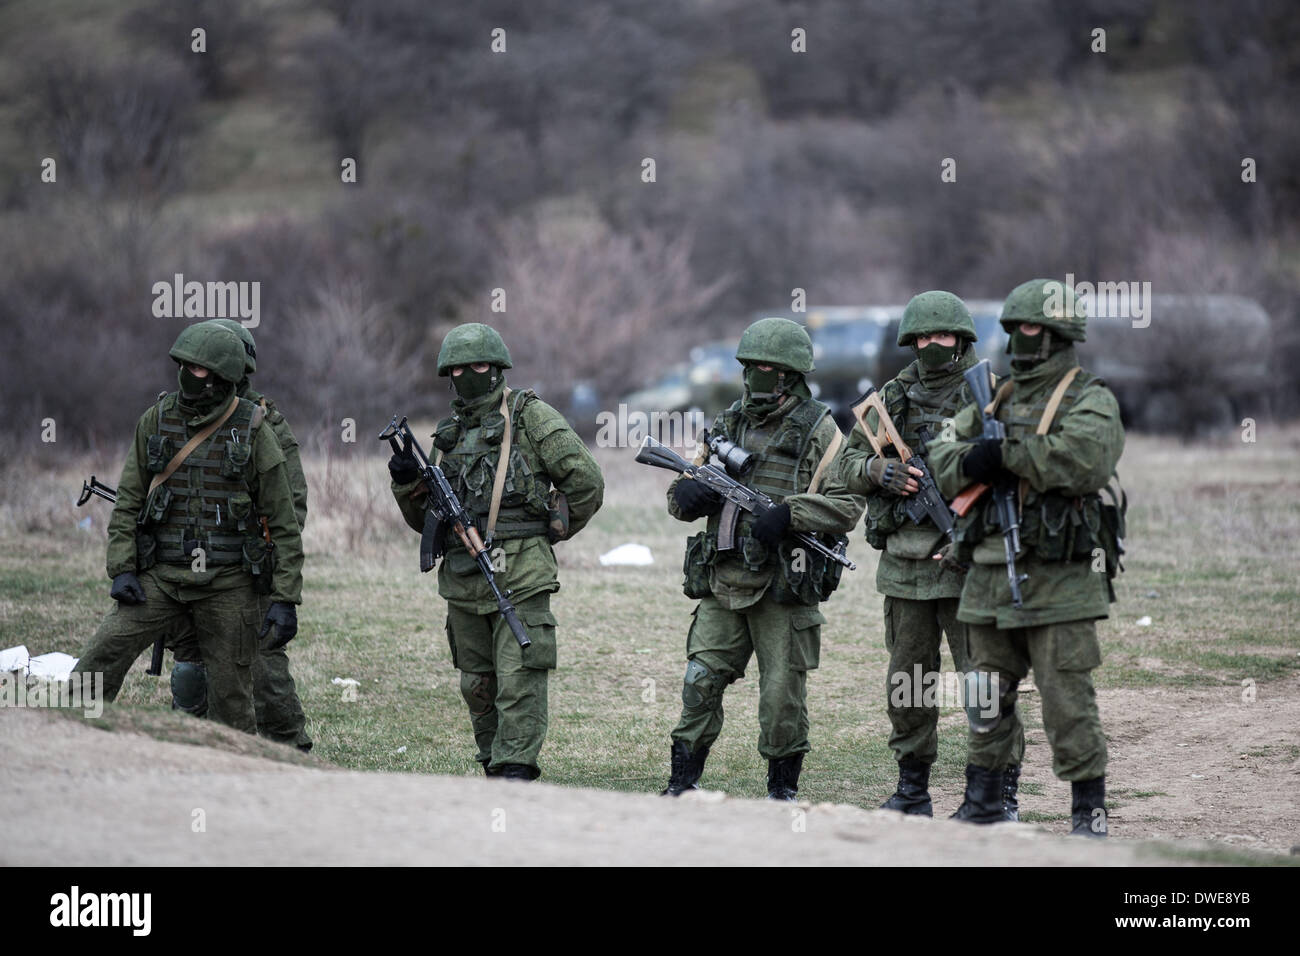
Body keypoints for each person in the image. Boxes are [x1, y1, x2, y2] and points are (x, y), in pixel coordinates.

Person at [930, 279, 1124, 836]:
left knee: (1067, 702)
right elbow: (943, 454)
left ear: (1060, 333)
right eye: (1012, 327)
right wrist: (973, 462)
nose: (1017, 336)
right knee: (984, 696)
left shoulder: (1090, 397)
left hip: (1060, 579)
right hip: (989, 573)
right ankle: (984, 802)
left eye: (1030, 327)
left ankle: (1089, 812)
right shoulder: (995, 396)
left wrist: (1005, 455)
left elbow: (1083, 460)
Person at [389, 323, 604, 780]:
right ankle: (492, 767)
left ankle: (514, 772)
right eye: (458, 368)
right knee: (477, 684)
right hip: (464, 578)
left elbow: (586, 483)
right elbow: (424, 523)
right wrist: (406, 480)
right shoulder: (449, 435)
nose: (469, 374)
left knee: (519, 680)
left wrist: (552, 526)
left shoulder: (532, 418)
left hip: (521, 575)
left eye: (479, 366)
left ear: (499, 368)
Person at [661, 317, 864, 801]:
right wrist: (687, 496)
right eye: (749, 366)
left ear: (791, 375)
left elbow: (849, 504)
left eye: (767, 368)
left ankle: (781, 794)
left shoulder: (822, 430)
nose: (755, 376)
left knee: (780, 698)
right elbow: (682, 485)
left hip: (784, 586)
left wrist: (792, 514)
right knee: (700, 681)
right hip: (724, 580)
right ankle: (680, 785)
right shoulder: (728, 422)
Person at [841, 291, 1023, 819]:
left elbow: (1021, 467)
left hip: (972, 565)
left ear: (962, 339)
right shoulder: (891, 398)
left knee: (984, 686)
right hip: (905, 568)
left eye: (941, 336)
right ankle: (912, 791)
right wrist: (880, 472)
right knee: (908, 686)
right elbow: (847, 465)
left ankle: (996, 794)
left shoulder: (989, 394)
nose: (930, 345)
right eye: (921, 337)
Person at [72, 322, 304, 732]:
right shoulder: (156, 420)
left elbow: (285, 523)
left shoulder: (255, 430)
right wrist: (123, 567)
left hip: (228, 583)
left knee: (232, 701)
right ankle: (67, 736)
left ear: (221, 377)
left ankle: (239, 775)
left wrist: (285, 598)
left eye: (197, 369)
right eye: (184, 365)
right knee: (99, 660)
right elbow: (128, 500)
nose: (186, 374)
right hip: (162, 578)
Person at [168, 319, 314, 751]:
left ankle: (292, 754)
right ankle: (191, 748)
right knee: (191, 664)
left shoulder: (264, 423)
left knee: (265, 668)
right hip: (189, 569)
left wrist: (262, 557)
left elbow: (292, 506)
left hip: (249, 571)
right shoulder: (177, 416)